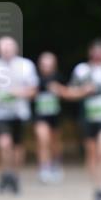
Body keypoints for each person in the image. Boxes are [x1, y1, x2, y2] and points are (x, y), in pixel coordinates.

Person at [56, 40, 101, 200]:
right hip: (88, 118)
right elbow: (69, 93)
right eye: (95, 52)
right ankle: (97, 187)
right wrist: (84, 91)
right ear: (90, 53)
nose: (98, 55)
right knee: (92, 154)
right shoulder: (81, 70)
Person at [0, 36, 38, 194]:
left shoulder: (26, 65)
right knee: (4, 143)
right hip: (0, 113)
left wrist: (19, 93)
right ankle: (4, 173)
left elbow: (33, 90)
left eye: (8, 48)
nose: (6, 51)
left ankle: (15, 176)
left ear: (15, 49)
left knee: (17, 146)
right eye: (3, 49)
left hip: (20, 112)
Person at [33, 51, 63, 184]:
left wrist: (59, 90)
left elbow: (68, 92)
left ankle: (55, 164)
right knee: (42, 139)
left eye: (49, 64)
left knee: (54, 142)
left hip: (55, 115)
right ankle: (44, 168)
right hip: (40, 115)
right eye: (44, 64)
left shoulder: (59, 77)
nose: (46, 67)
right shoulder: (35, 78)